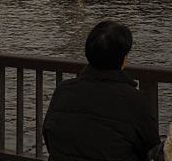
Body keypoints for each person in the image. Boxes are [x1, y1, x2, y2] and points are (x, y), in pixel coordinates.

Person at [43, 20, 160, 161]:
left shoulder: (63, 91)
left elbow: (50, 136)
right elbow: (151, 148)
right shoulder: (135, 100)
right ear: (123, 59)